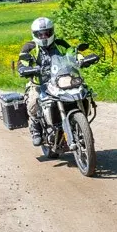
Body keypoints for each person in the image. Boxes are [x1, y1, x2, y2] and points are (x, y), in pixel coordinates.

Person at [17, 17, 70, 146]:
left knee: (81, 91)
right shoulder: (29, 47)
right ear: (35, 34)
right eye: (40, 34)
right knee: (33, 102)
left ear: (52, 32)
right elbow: (22, 61)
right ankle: (36, 127)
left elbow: (72, 52)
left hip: (61, 81)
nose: (44, 36)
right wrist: (24, 68)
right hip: (39, 83)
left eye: (47, 33)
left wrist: (81, 59)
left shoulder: (60, 44)